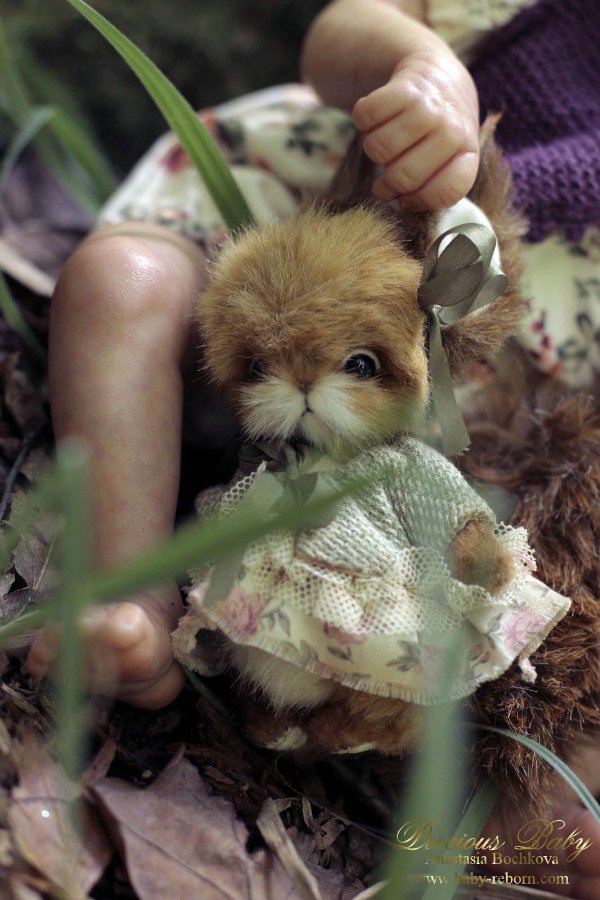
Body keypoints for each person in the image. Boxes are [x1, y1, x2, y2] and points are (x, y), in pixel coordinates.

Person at [27, 1, 599, 893]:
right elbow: (338, 37)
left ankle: (531, 794)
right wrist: (425, 71)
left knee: (541, 571)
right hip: (266, 255)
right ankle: (127, 589)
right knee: (121, 285)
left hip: (487, 413)